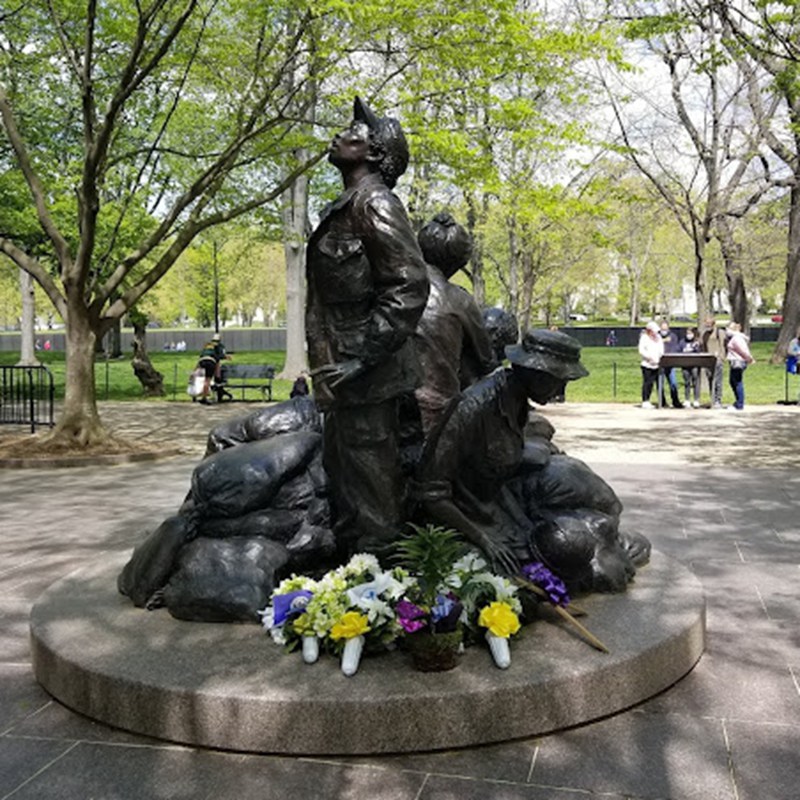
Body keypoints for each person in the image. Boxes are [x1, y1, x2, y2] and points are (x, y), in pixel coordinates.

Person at [305, 97, 429, 559]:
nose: (341, 134)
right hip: (346, 374)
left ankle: (381, 588)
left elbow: (409, 285)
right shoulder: (347, 206)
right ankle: (353, 582)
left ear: (374, 153)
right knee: (348, 480)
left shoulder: (375, 204)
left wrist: (362, 358)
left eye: (354, 132)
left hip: (366, 376)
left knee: (372, 488)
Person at [415, 328, 589, 573]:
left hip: (494, 510)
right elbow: (430, 492)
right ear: (538, 376)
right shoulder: (473, 409)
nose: (561, 393)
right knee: (507, 574)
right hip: (459, 520)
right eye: (559, 383)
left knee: (552, 555)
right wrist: (483, 538)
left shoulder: (515, 400)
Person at [413, 212, 496, 434]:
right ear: (459, 261)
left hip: (393, 409)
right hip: (438, 416)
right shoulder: (460, 300)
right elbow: (486, 362)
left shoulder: (394, 292)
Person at [725, 322, 755, 410]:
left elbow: (743, 350)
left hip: (738, 361)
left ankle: (739, 403)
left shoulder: (736, 338)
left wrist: (749, 358)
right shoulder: (734, 338)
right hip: (734, 361)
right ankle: (738, 401)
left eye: (729, 328)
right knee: (733, 381)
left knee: (737, 382)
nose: (727, 330)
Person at [195, 332, 229, 405]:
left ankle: (203, 396)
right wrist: (227, 357)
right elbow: (220, 357)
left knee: (203, 380)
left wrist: (196, 368)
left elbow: (202, 355)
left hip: (202, 361)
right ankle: (204, 398)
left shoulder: (207, 345)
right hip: (210, 362)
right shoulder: (219, 346)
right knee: (207, 380)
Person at [701, 315, 726, 409]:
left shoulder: (719, 332)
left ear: (713, 323)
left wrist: (721, 357)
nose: (707, 325)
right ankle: (712, 398)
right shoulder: (705, 334)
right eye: (706, 323)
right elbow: (703, 346)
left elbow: (723, 346)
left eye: (709, 323)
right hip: (708, 360)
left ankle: (718, 400)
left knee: (718, 381)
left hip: (717, 360)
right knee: (710, 380)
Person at [658, 320, 683, 408]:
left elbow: (675, 349)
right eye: (662, 328)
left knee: (673, 383)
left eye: (665, 328)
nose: (664, 330)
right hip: (660, 364)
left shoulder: (673, 336)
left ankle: (675, 401)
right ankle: (662, 402)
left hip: (670, 364)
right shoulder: (656, 337)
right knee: (660, 384)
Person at [638, 321, 662, 409]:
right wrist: (649, 358)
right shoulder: (644, 338)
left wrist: (659, 358)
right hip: (647, 364)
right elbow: (641, 350)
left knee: (653, 383)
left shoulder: (658, 338)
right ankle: (645, 400)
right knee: (647, 382)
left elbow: (661, 348)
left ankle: (660, 400)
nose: (655, 333)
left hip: (657, 363)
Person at [678, 326, 701, 408]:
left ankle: (696, 399)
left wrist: (697, 346)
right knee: (687, 382)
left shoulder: (696, 342)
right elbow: (678, 351)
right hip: (685, 365)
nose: (689, 335)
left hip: (694, 364)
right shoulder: (682, 342)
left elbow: (699, 352)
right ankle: (687, 399)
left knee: (695, 381)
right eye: (687, 333)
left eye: (690, 333)